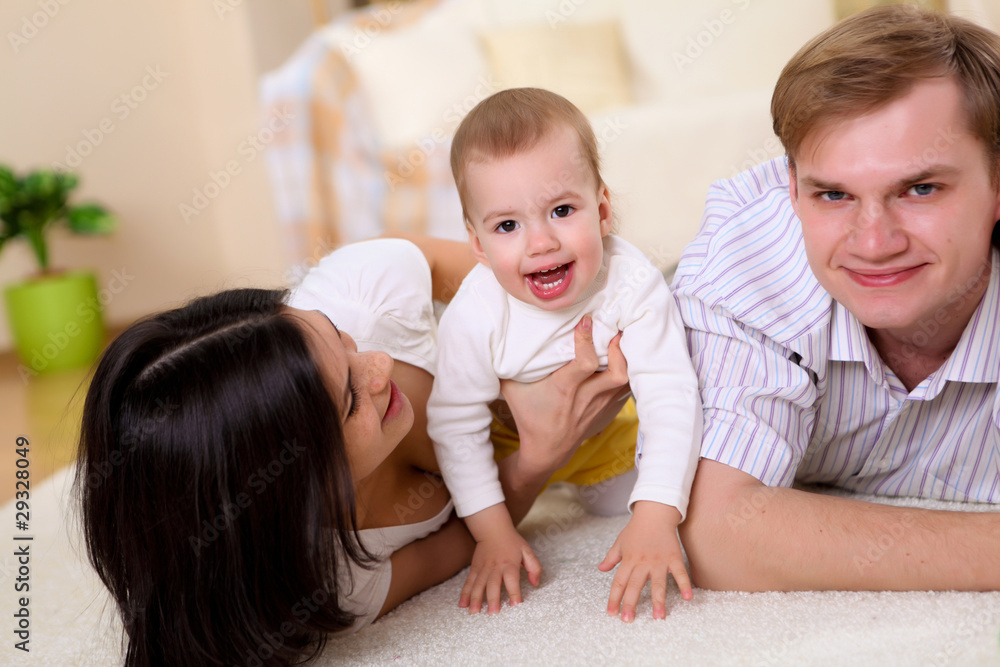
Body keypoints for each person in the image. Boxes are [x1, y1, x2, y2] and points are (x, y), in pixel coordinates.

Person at [75, 234, 630, 667]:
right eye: (350, 401)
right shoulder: (332, 581)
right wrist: (540, 455)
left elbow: (495, 266)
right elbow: (465, 544)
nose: (377, 365)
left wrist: (532, 352)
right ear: (292, 485)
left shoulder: (360, 296)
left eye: (340, 338)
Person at [672, 4, 1000, 592]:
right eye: (833, 195)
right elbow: (716, 533)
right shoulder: (746, 266)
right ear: (792, 187)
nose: (874, 243)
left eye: (920, 188)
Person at [428, 88, 702, 622]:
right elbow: (455, 425)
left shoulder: (630, 282)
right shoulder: (476, 310)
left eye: (561, 210)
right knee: (449, 500)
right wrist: (494, 532)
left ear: (602, 210)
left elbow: (670, 391)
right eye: (508, 225)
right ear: (478, 246)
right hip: (510, 446)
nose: (541, 243)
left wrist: (655, 514)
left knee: (691, 499)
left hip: (610, 435)